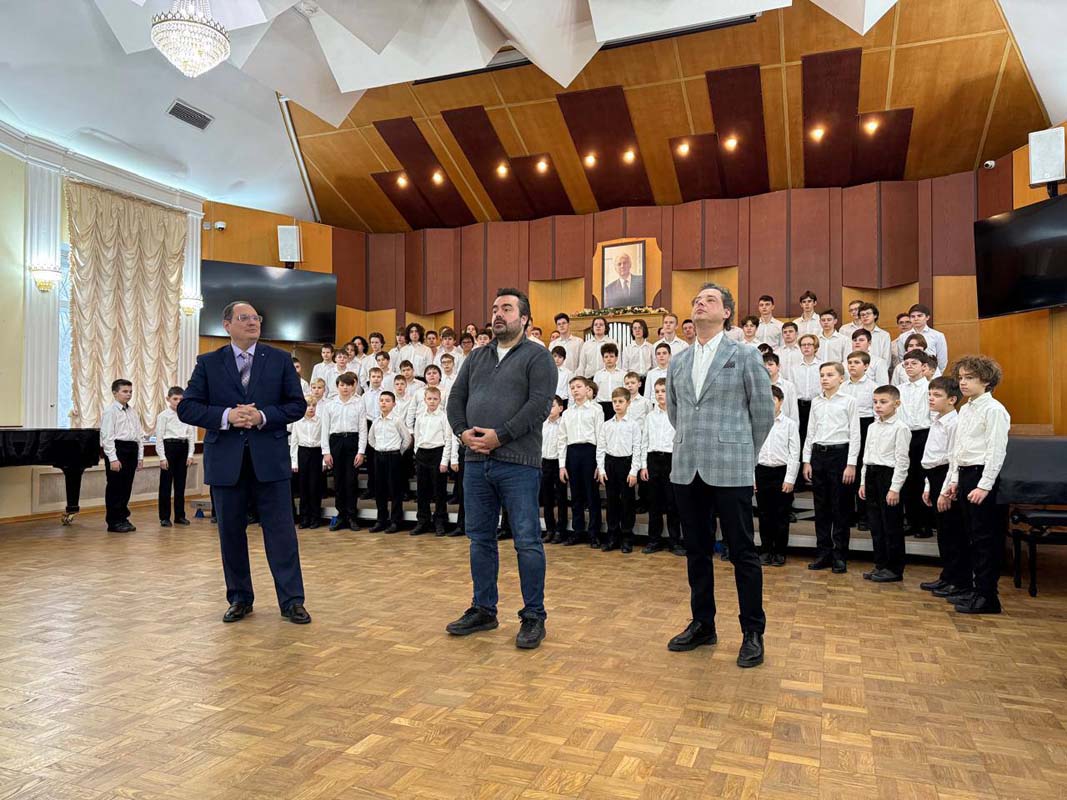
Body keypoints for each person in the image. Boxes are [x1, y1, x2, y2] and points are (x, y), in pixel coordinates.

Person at [178, 301, 310, 625]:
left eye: (256, 318)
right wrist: (227, 416)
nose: (253, 322)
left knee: (281, 535)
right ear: (227, 325)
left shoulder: (279, 360)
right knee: (231, 534)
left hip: (270, 462)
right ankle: (239, 598)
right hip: (226, 464)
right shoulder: (208, 363)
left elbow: (296, 405)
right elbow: (188, 408)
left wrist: (262, 416)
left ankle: (292, 601)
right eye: (244, 318)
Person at [666, 282, 774, 669]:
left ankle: (752, 632)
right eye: (697, 300)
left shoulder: (744, 354)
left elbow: (763, 413)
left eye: (709, 300)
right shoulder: (678, 360)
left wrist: (742, 453)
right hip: (687, 467)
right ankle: (703, 624)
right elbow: (676, 413)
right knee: (696, 551)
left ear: (727, 312)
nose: (700, 304)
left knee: (742, 552)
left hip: (731, 468)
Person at [445, 288, 556, 649]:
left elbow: (539, 406)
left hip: (518, 464)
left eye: (506, 309)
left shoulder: (538, 357)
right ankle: (483, 609)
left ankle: (534, 615)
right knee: (479, 538)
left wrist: (501, 436)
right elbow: (455, 399)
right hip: (476, 462)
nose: (498, 314)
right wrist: (462, 432)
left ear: (524, 318)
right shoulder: (476, 356)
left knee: (527, 541)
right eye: (495, 308)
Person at [940, 355, 1011, 614]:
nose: (963, 383)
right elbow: (959, 449)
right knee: (970, 537)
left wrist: (984, 485)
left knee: (985, 540)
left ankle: (987, 597)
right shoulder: (966, 408)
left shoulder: (994, 410)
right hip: (966, 474)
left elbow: (996, 451)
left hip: (982, 477)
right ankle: (974, 590)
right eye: (961, 378)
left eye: (969, 378)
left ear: (987, 380)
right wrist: (954, 480)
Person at [802, 362, 860, 574]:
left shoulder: (849, 401)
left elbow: (855, 434)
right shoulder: (816, 402)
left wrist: (851, 463)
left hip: (840, 455)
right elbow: (810, 431)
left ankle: (840, 555)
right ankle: (823, 553)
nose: (825, 379)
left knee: (840, 508)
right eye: (822, 375)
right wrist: (806, 460)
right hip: (819, 454)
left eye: (829, 375)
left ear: (841, 378)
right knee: (821, 508)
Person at [858, 385, 911, 582]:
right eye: (875, 402)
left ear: (896, 404)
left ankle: (894, 568)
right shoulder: (872, 427)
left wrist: (895, 488)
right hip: (872, 474)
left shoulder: (901, 428)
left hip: (888, 476)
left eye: (883, 402)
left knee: (891, 525)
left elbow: (902, 461)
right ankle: (880, 564)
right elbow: (867, 456)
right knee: (876, 524)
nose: (878, 406)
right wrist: (863, 482)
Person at [919, 377, 964, 596]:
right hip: (934, 476)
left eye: (937, 395)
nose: (931, 398)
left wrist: (945, 491)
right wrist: (928, 486)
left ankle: (957, 579)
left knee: (953, 532)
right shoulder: (936, 420)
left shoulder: (954, 423)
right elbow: (931, 457)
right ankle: (947, 576)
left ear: (952, 400)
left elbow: (952, 458)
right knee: (943, 532)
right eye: (929, 394)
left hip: (946, 477)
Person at [755, 385, 799, 567]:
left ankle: (780, 552)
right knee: (764, 514)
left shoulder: (789, 425)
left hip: (781, 472)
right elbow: (752, 450)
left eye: (773, 400)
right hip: (762, 471)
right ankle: (766, 550)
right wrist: (752, 477)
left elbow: (794, 453)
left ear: (780, 402)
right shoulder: (757, 423)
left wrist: (790, 479)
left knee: (781, 515)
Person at [640, 377, 683, 556]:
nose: (660, 394)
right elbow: (644, 441)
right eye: (657, 391)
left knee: (673, 503)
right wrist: (644, 466)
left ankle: (675, 541)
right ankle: (654, 540)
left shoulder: (677, 414)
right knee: (654, 503)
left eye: (663, 391)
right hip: (653, 459)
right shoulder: (650, 416)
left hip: (672, 460)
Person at [319, 372, 367, 532]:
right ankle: (341, 515)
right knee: (338, 481)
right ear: (337, 386)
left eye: (348, 385)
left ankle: (352, 515)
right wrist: (326, 452)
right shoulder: (330, 405)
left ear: (353, 386)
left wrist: (361, 451)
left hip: (352, 441)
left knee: (351, 481)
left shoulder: (359, 404)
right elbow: (325, 429)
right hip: (336, 442)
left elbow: (363, 429)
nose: (345, 388)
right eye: (342, 385)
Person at [558, 376, 603, 546]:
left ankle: (594, 533)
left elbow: (600, 437)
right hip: (572, 453)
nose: (575, 390)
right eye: (572, 388)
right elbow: (562, 440)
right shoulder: (567, 413)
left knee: (592, 494)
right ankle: (577, 531)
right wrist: (562, 465)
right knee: (576, 495)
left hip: (589, 452)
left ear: (586, 389)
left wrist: (600, 464)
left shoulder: (596, 410)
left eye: (578, 386)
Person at [596, 387, 641, 553]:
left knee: (627, 502)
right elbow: (601, 448)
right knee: (612, 502)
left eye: (621, 401)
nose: (617, 404)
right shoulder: (606, 425)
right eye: (614, 401)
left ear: (628, 403)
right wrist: (601, 469)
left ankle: (627, 537)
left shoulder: (633, 425)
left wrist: (634, 471)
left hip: (626, 464)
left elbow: (637, 448)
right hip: (611, 464)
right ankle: (612, 536)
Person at [412, 386, 456, 536]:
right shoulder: (420, 417)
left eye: (435, 399)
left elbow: (448, 439)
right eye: (429, 398)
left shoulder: (444, 417)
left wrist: (444, 461)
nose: (432, 401)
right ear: (424, 400)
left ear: (440, 400)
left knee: (439, 491)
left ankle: (440, 521)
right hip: (422, 454)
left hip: (438, 453)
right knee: (422, 491)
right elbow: (417, 436)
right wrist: (417, 452)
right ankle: (422, 521)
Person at [898, 350, 933, 538]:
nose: (909, 367)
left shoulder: (930, 388)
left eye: (914, 363)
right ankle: (911, 521)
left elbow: (934, 416)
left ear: (924, 367)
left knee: (922, 479)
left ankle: (925, 524)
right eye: (906, 364)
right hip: (905, 435)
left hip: (925, 435)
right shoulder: (900, 389)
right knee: (906, 479)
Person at [102, 378, 144, 533]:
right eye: (125, 391)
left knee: (126, 486)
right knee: (115, 487)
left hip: (131, 449)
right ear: (115, 393)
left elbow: (139, 436)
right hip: (118, 449)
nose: (128, 394)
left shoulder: (132, 411)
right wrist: (113, 458)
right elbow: (107, 437)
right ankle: (113, 521)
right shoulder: (110, 411)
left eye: (130, 392)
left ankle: (122, 517)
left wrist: (140, 457)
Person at [840, 351, 877, 529]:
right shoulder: (842, 386)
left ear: (866, 366)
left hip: (865, 425)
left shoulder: (873, 387)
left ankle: (864, 515)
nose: (852, 365)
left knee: (862, 471)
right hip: (845, 428)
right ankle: (848, 514)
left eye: (856, 362)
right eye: (850, 362)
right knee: (846, 472)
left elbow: (877, 414)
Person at [369, 391, 412, 533]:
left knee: (395, 490)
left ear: (394, 404)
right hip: (379, 456)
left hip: (394, 456)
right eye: (381, 400)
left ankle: (395, 521)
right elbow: (371, 439)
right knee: (380, 490)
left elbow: (407, 439)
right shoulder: (376, 421)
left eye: (387, 400)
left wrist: (398, 452)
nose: (384, 403)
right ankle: (381, 520)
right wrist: (379, 449)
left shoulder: (397, 420)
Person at [156, 385, 195, 528]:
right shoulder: (163, 416)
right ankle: (164, 517)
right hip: (169, 448)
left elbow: (191, 436)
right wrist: (162, 457)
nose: (178, 402)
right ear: (168, 399)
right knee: (165, 485)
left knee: (180, 484)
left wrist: (190, 454)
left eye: (181, 399)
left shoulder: (187, 415)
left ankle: (180, 516)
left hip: (183, 448)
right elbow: (159, 438)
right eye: (175, 399)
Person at [290, 396, 324, 529]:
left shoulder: (321, 421)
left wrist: (323, 460)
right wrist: (294, 462)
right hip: (303, 453)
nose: (311, 408)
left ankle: (315, 517)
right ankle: (304, 518)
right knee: (303, 487)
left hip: (316, 452)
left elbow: (324, 440)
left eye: (313, 406)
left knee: (314, 487)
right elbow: (294, 442)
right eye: (308, 405)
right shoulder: (298, 422)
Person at [540, 396, 568, 544]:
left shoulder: (564, 423)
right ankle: (550, 529)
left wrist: (563, 465)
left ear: (560, 408)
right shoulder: (543, 424)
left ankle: (560, 530)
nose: (549, 409)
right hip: (545, 462)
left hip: (559, 463)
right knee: (547, 498)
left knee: (561, 498)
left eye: (552, 406)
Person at [904, 304, 947, 370]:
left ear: (927, 317)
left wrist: (935, 373)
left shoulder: (938, 336)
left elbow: (942, 360)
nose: (916, 319)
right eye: (913, 316)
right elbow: (901, 358)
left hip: (931, 372)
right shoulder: (903, 337)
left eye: (919, 316)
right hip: (909, 372)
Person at [762, 353, 798, 423]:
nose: (767, 367)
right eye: (764, 365)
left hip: (784, 426)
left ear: (778, 366)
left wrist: (793, 427)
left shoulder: (789, 386)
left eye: (770, 364)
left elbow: (794, 412)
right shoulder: (758, 387)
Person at [593, 343, 625, 420]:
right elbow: (594, 392)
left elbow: (625, 392)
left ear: (616, 358)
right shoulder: (598, 374)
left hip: (618, 404)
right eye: (606, 357)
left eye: (611, 356)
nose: (609, 359)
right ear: (603, 359)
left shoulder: (623, 374)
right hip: (601, 405)